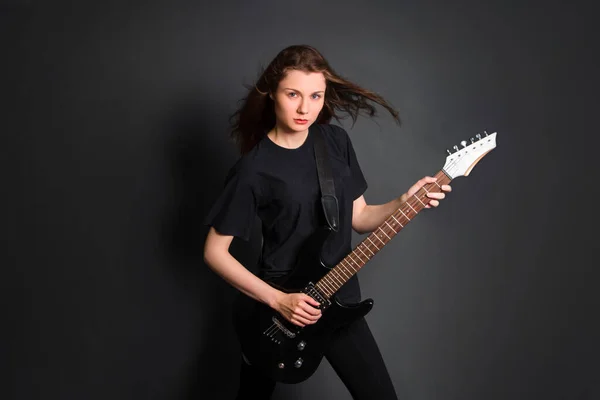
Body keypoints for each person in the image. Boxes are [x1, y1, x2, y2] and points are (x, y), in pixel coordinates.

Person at [203, 44, 451, 400]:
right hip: (278, 313)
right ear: (272, 92)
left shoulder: (333, 141)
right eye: (293, 94)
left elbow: (361, 217)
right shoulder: (253, 169)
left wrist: (404, 202)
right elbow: (215, 252)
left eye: (316, 95)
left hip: (339, 301)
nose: (305, 108)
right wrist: (278, 301)